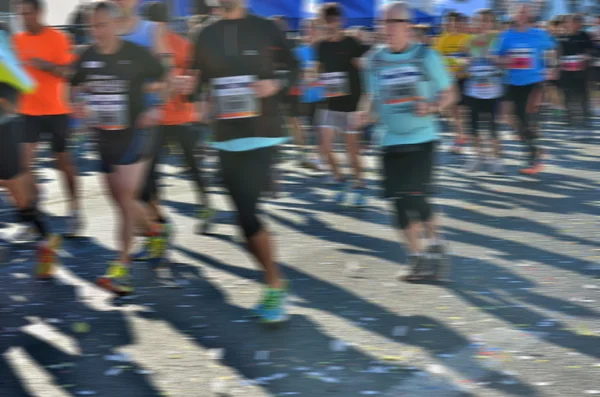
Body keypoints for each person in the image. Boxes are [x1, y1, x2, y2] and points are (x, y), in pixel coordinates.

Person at [189, 0, 299, 323]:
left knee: (248, 213)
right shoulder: (205, 34)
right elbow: (199, 82)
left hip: (262, 132)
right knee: (241, 219)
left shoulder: (265, 27)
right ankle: (274, 279)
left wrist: (275, 84)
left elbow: (294, 69)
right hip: (225, 134)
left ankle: (275, 285)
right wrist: (194, 98)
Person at [70, 1, 166, 296]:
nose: (96, 31)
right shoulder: (87, 56)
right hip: (103, 137)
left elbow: (165, 78)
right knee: (118, 198)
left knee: (124, 200)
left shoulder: (135, 54)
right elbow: (73, 86)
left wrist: (155, 108)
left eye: (101, 25)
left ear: (115, 25)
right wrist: (79, 104)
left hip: (135, 134)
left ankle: (122, 269)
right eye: (92, 26)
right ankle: (154, 231)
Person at [357, 1, 455, 282]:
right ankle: (417, 258)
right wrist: (364, 116)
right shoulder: (374, 60)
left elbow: (448, 92)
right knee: (398, 204)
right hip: (388, 140)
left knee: (417, 197)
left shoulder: (426, 56)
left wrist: (433, 106)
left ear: (408, 27)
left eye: (392, 23)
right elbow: (374, 98)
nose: (385, 29)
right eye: (382, 23)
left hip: (422, 138)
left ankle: (437, 243)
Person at [140, 1, 216, 235]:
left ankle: (206, 205)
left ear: (162, 23)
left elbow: (196, 80)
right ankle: (158, 220)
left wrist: (187, 87)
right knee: (149, 173)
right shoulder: (143, 48)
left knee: (193, 166)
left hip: (181, 117)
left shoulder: (182, 45)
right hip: (156, 121)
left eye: (153, 23)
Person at [13, 0, 82, 237]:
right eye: (21, 14)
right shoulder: (18, 40)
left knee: (63, 164)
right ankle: (33, 217)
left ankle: (75, 210)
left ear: (40, 12)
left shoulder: (58, 38)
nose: (24, 18)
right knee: (23, 166)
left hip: (56, 111)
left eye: (28, 13)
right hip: (27, 112)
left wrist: (47, 65)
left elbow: (69, 72)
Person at [113, 0, 173, 261]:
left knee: (140, 189)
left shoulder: (151, 30)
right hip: (115, 121)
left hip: (146, 120)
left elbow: (166, 73)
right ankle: (156, 229)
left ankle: (156, 230)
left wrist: (157, 102)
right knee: (125, 190)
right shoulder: (109, 29)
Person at [0, 22, 61, 278]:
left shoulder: (7, 62)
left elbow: (12, 99)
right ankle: (45, 240)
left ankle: (46, 241)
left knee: (18, 191)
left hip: (6, 130)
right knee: (17, 190)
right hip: (9, 128)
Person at [492, 4, 556, 175]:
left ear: (530, 15)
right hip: (512, 81)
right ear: (513, 15)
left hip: (533, 81)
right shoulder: (506, 36)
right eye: (519, 12)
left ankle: (533, 155)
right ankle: (533, 146)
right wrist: (502, 61)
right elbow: (494, 55)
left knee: (526, 117)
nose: (522, 15)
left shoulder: (539, 34)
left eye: (525, 12)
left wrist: (552, 66)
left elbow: (554, 49)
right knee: (506, 115)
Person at [316, 2, 369, 207]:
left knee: (352, 153)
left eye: (335, 20)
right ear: (324, 22)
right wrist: (317, 80)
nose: (331, 24)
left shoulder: (352, 43)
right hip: (330, 103)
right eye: (328, 21)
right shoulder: (321, 46)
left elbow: (363, 70)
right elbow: (320, 70)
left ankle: (360, 185)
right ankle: (339, 180)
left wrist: (364, 105)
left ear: (341, 21)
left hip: (351, 104)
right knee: (324, 148)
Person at [464, 9, 505, 173]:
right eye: (479, 21)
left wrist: (494, 57)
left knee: (493, 127)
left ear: (491, 23)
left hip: (493, 91)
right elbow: (469, 63)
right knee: (473, 126)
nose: (482, 24)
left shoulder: (498, 40)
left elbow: (505, 63)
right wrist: (466, 63)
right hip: (474, 90)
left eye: (486, 21)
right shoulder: (471, 42)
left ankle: (497, 160)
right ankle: (478, 157)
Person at [435, 12, 471, 154]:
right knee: (451, 110)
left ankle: (463, 136)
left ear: (460, 23)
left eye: (456, 22)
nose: (453, 25)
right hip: (449, 79)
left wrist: (462, 67)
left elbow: (470, 58)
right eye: (450, 22)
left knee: (462, 111)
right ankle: (460, 137)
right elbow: (437, 58)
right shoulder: (442, 38)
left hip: (464, 78)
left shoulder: (467, 38)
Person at [294, 18, 325, 170]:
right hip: (303, 95)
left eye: (314, 28)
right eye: (308, 29)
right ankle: (304, 155)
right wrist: (302, 75)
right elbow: (294, 72)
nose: (311, 32)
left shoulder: (324, 50)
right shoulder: (298, 51)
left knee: (318, 128)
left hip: (320, 95)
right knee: (301, 126)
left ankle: (316, 157)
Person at [558, 14, 594, 140]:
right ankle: (570, 124)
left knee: (584, 98)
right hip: (567, 75)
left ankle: (585, 123)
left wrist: (588, 56)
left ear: (580, 24)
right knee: (568, 99)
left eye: (576, 22)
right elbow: (558, 54)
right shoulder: (562, 38)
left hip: (581, 74)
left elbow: (592, 50)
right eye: (571, 22)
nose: (573, 25)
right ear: (567, 24)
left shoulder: (584, 36)